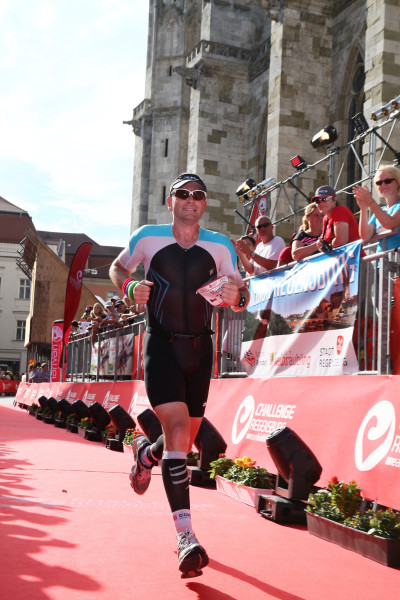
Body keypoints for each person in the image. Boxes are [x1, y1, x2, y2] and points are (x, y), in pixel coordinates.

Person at [109, 172, 249, 577]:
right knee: (175, 430)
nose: (190, 200)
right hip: (161, 346)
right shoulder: (147, 237)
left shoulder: (220, 245)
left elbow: (243, 293)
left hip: (200, 350)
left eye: (198, 195)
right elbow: (118, 268)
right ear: (170, 202)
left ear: (205, 203)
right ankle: (186, 536)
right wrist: (129, 286)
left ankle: (145, 454)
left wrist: (237, 296)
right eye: (182, 194)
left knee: (181, 442)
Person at [353, 165, 400, 252]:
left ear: (397, 182)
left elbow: (390, 223)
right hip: (382, 259)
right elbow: (365, 236)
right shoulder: (380, 211)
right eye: (379, 183)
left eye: (387, 181)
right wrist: (363, 208)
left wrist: (370, 201)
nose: (383, 185)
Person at [311, 185, 360, 251]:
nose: (321, 203)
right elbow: (323, 243)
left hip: (353, 255)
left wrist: (327, 246)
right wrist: (322, 245)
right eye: (317, 201)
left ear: (335, 200)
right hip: (341, 256)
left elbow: (341, 241)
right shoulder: (326, 219)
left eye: (325, 199)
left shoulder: (340, 210)